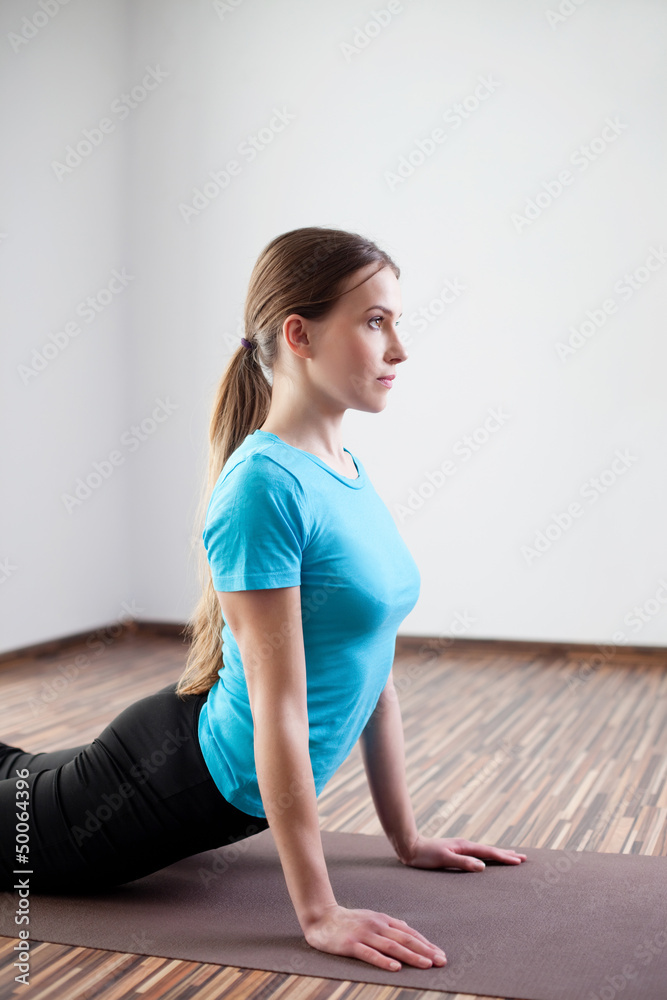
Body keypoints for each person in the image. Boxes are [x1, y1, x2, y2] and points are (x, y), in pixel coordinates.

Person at [0, 226, 526, 973]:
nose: (398, 349)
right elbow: (280, 707)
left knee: (16, 776)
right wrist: (318, 913)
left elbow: (371, 672)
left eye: (396, 322)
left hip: (177, 747)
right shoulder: (262, 488)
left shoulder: (342, 466)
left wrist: (405, 842)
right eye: (375, 322)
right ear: (299, 334)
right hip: (168, 782)